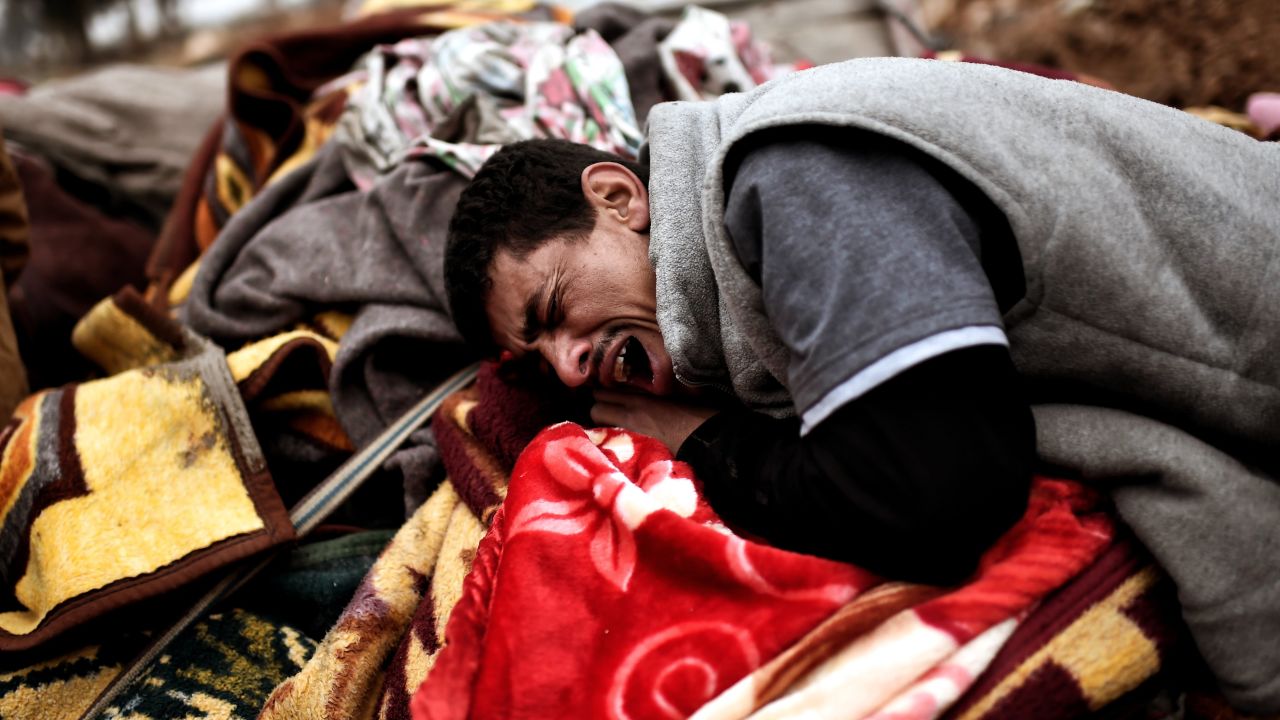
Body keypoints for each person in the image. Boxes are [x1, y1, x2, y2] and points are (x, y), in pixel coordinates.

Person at [444, 57, 1280, 712]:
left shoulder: (794, 177)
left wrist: (704, 444)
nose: (567, 366)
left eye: (555, 308)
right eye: (540, 356)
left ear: (618, 196)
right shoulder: (748, 240)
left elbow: (936, 496)